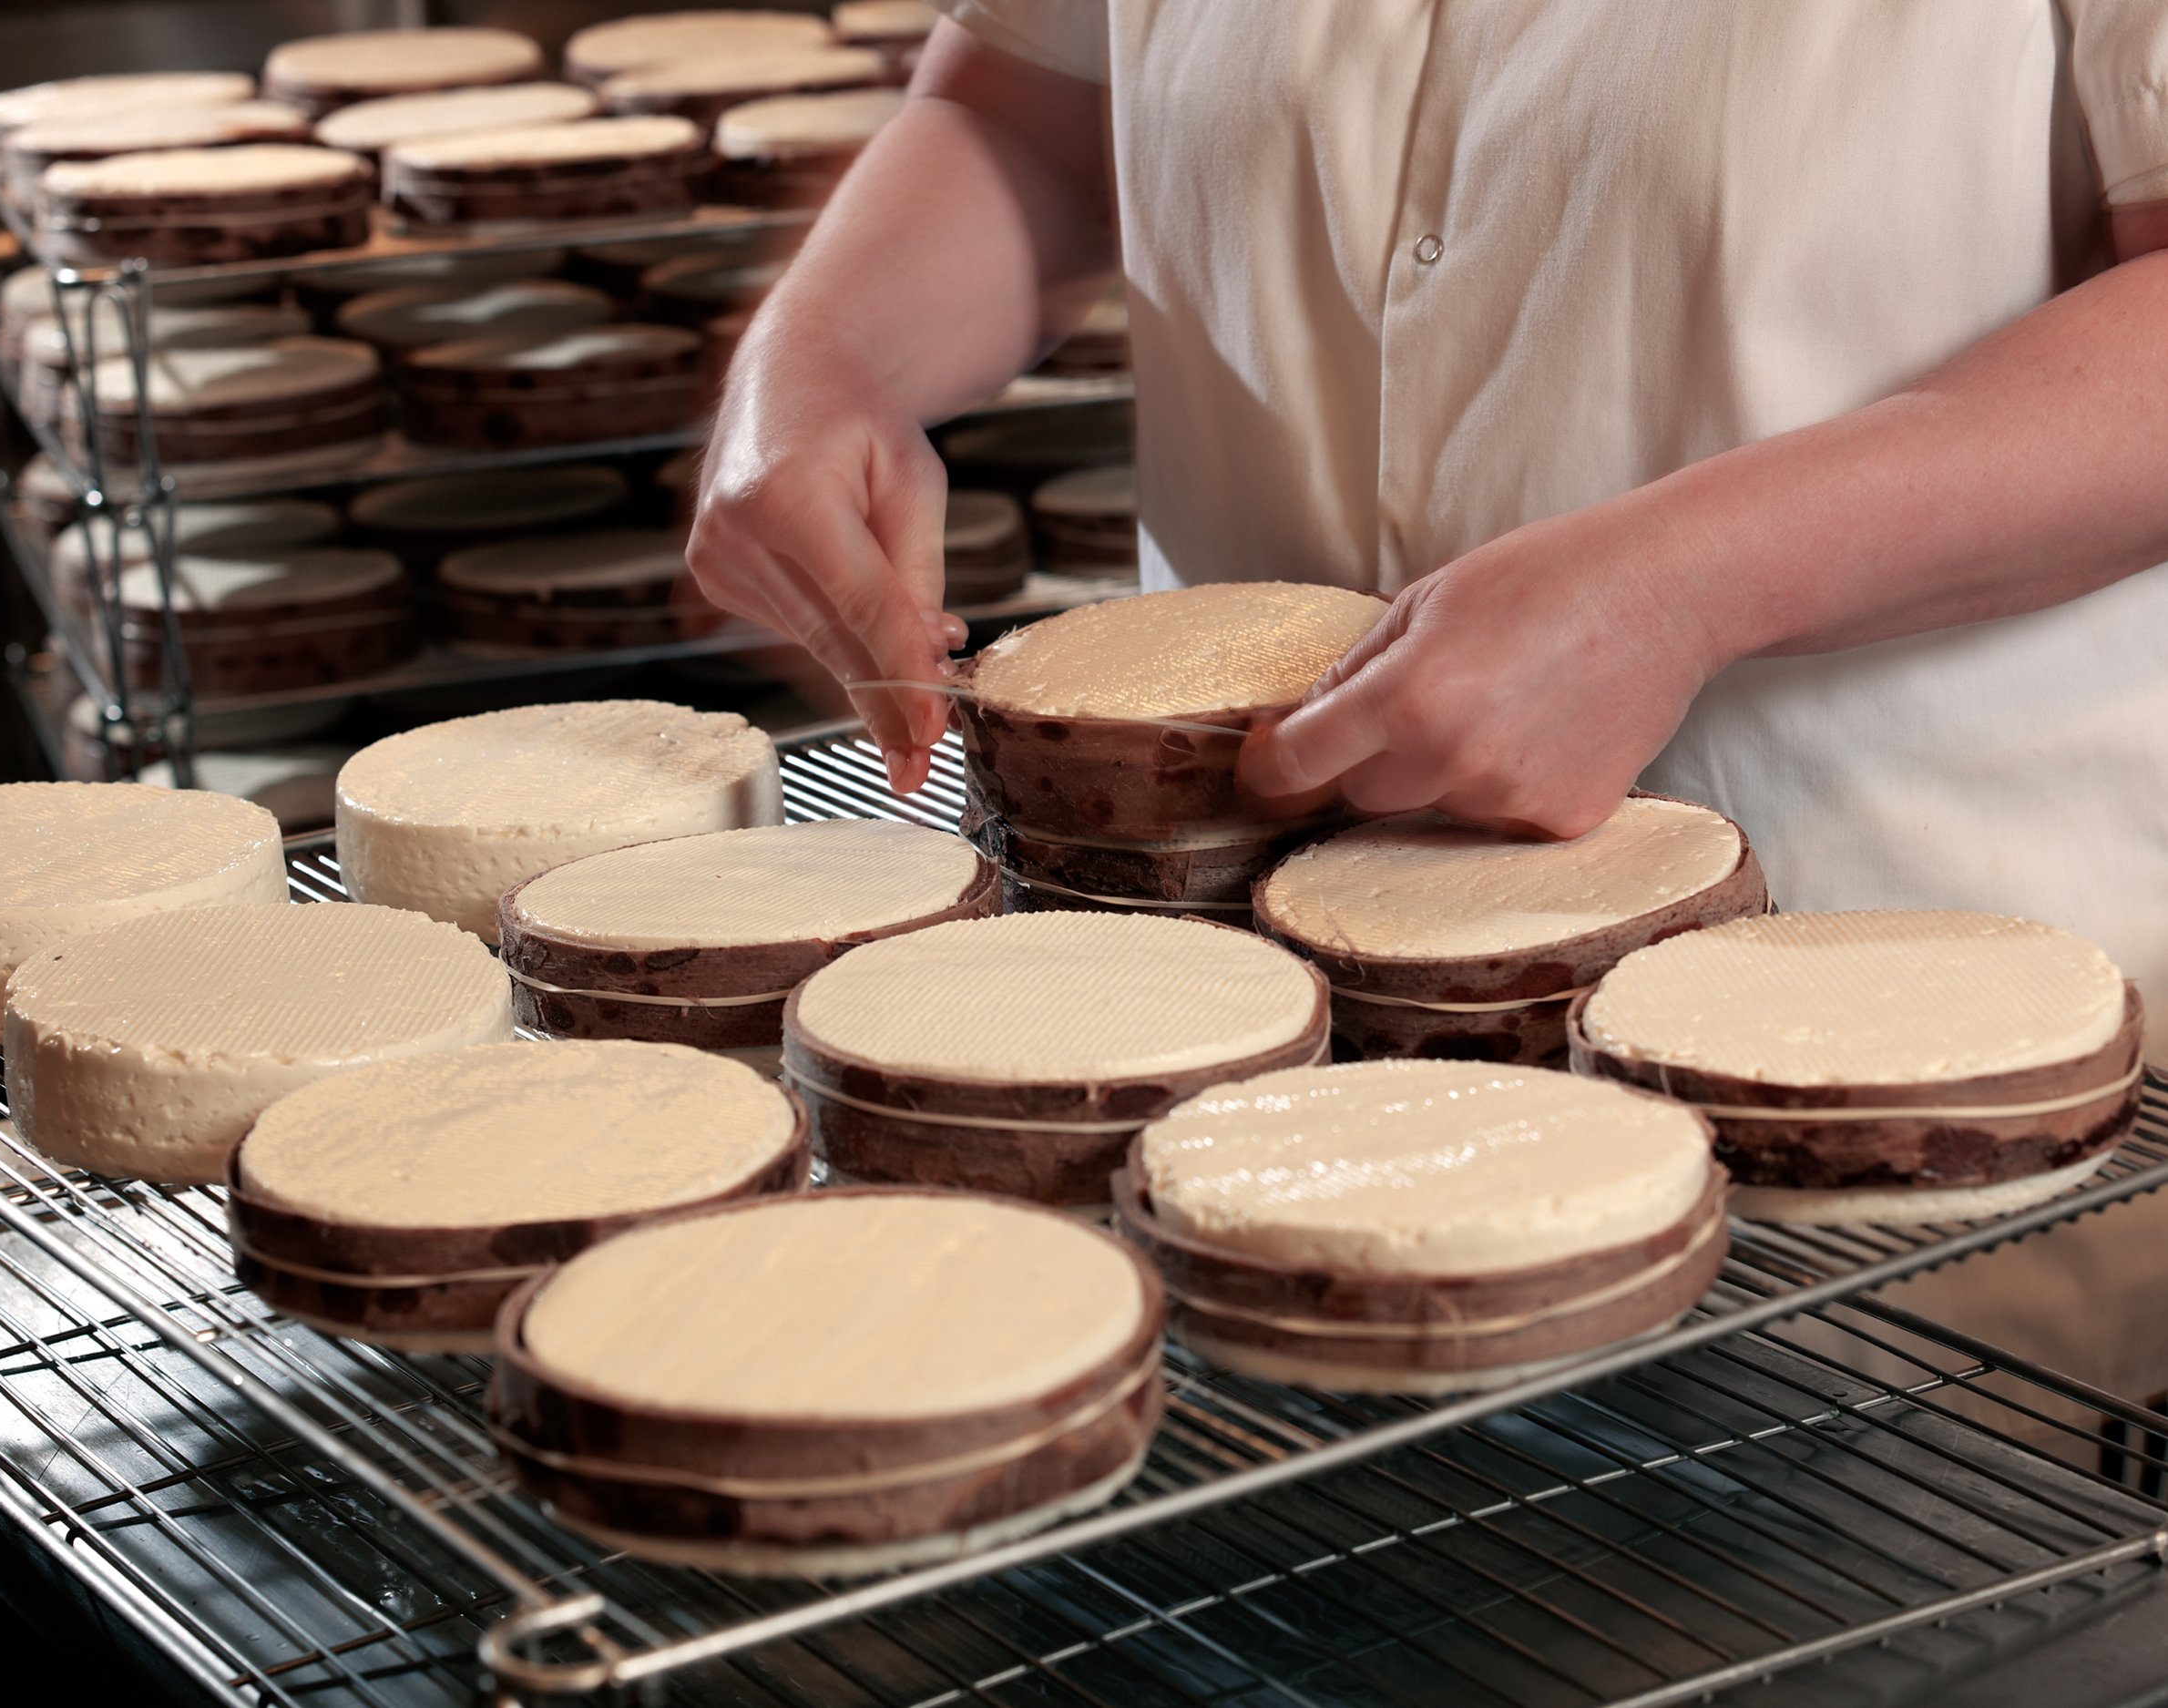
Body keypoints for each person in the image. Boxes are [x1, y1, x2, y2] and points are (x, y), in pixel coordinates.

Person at [685, 1, 2168, 1421]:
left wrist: (1690, 587)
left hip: (1884, 1053)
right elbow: (1025, 117)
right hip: (1233, 1030)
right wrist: (819, 359)